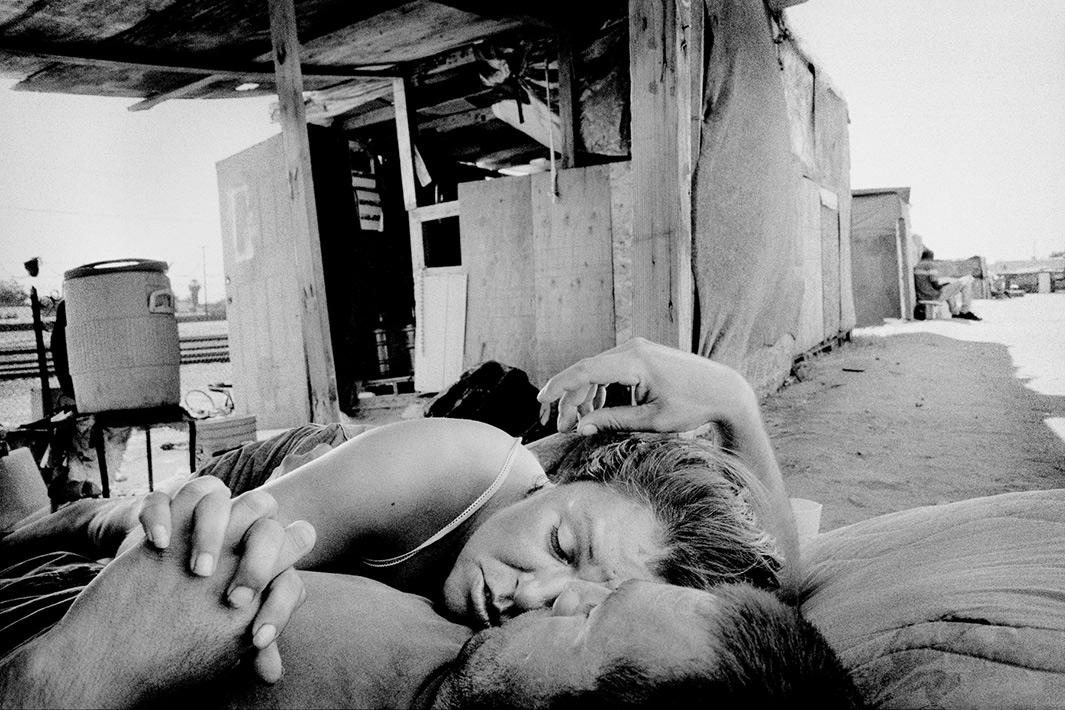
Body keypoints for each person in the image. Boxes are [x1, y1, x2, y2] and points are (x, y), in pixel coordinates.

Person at [0, 339, 799, 677]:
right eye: (558, 543)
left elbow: (773, 603)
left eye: (572, 598)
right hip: (296, 470)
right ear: (556, 480)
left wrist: (736, 405)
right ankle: (41, 509)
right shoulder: (456, 467)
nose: (526, 592)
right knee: (124, 532)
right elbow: (213, 543)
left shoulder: (611, 581)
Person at [0, 482, 864, 708]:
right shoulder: (462, 630)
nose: (553, 598)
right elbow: (770, 573)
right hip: (81, 570)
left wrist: (77, 670)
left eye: (592, 616)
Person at [913, 248, 982, 320]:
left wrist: (945, 285)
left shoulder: (917, 267)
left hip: (922, 295)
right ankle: (965, 311)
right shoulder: (929, 265)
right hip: (934, 296)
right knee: (966, 283)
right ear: (930, 257)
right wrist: (943, 285)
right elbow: (935, 284)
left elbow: (928, 283)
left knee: (949, 289)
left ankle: (955, 312)